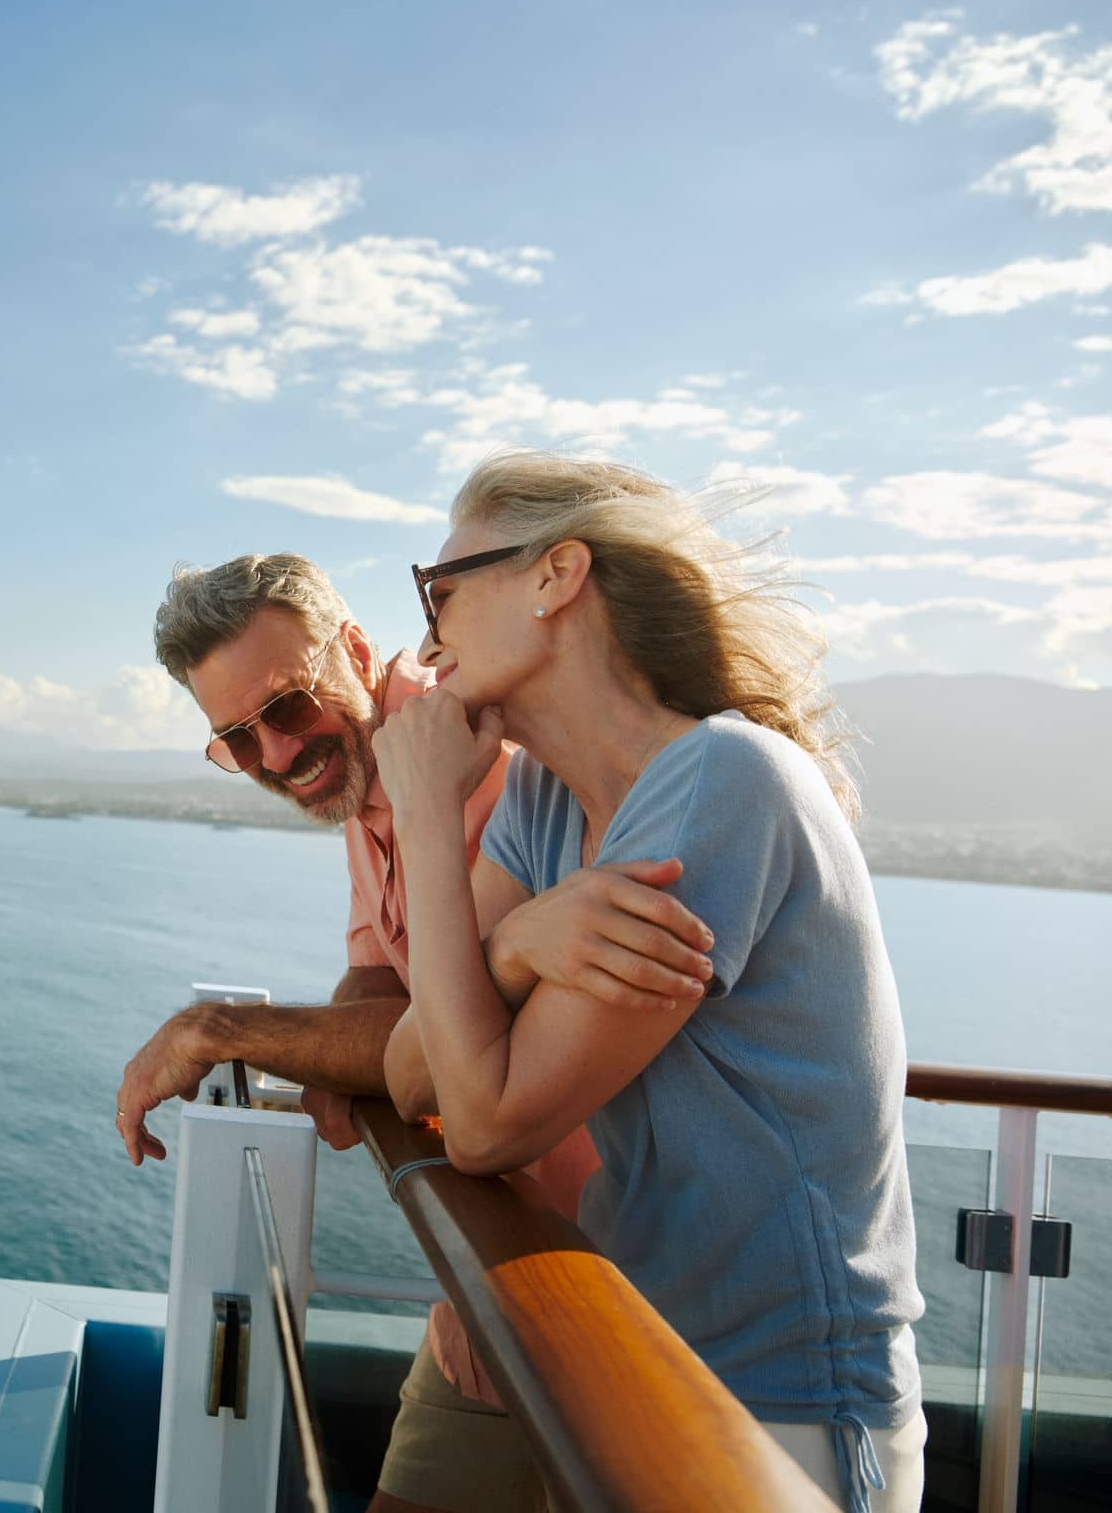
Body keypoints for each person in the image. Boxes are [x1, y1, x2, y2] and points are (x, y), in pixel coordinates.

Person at [374, 451, 926, 1513]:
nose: (427, 638)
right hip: (637, 1361)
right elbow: (410, 1072)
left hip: (781, 1410)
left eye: (439, 590)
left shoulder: (724, 779)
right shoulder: (541, 801)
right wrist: (515, 943)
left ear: (556, 576)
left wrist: (426, 817)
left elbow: (480, 1125)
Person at [115, 553, 715, 1513]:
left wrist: (220, 1032)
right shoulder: (362, 775)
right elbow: (378, 975)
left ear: (354, 649)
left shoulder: (475, 760)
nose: (276, 753)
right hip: (493, 1275)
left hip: (625, 1294)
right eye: (237, 738)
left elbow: (432, 1038)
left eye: (286, 706)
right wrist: (332, 1056)